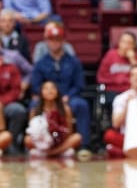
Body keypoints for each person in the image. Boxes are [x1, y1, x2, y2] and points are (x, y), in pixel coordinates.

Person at [30, 22, 91, 158]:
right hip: (46, 98)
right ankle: (36, 143)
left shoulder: (74, 62)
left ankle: (84, 145)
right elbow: (36, 84)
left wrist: (68, 96)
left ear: (63, 41)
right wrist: (46, 95)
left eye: (58, 40)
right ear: (47, 41)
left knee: (81, 105)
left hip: (69, 97)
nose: (55, 43)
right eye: (51, 40)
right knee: (34, 106)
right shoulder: (41, 63)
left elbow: (79, 84)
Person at [24, 80, 82, 158]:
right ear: (41, 92)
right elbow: (31, 132)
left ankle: (52, 153)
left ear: (57, 92)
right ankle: (56, 152)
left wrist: (57, 131)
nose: (49, 91)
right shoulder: (34, 111)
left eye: (53, 88)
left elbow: (69, 131)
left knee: (77, 137)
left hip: (60, 141)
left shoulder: (65, 109)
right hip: (42, 142)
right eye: (46, 88)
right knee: (27, 139)